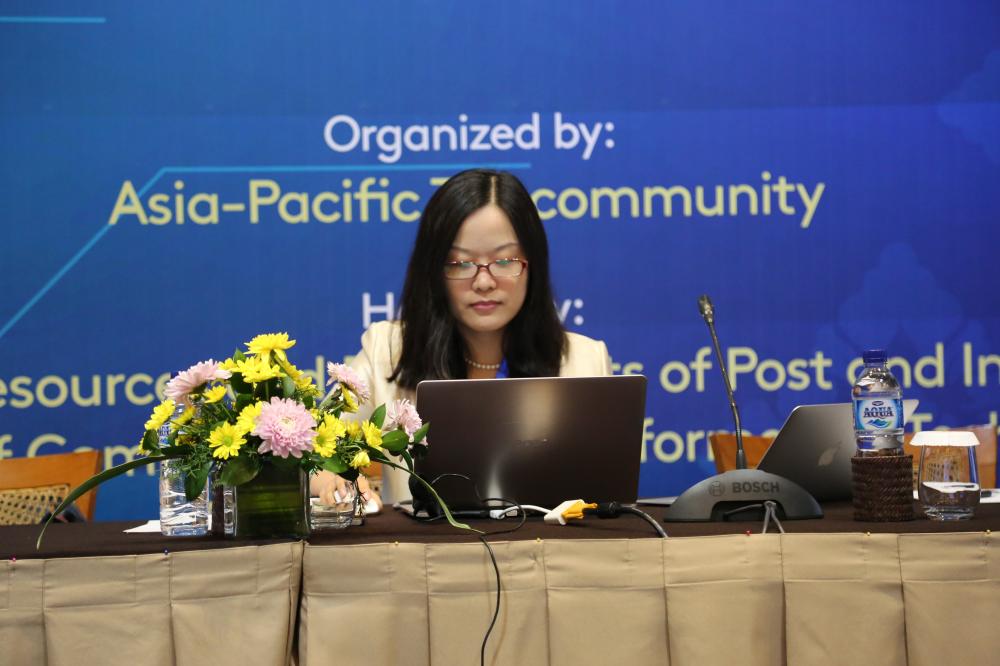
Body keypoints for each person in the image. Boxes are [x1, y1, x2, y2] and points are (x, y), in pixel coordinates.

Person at [315, 168, 612, 505]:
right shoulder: (387, 350)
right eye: (460, 263)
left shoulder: (586, 361)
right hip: (418, 541)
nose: (484, 282)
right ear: (434, 270)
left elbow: (606, 491)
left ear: (533, 264)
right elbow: (312, 457)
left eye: (505, 260)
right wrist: (333, 479)